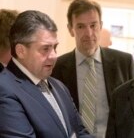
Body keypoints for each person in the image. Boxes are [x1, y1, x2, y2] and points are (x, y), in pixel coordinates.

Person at [0, 10, 93, 138]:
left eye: (55, 47)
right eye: (45, 49)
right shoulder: (4, 88)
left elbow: (81, 133)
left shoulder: (59, 86)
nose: (54, 56)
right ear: (20, 51)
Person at [51, 0, 134, 137]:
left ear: (100, 25)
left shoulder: (124, 62)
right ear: (70, 29)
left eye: (93, 25)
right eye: (80, 26)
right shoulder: (56, 67)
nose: (89, 33)